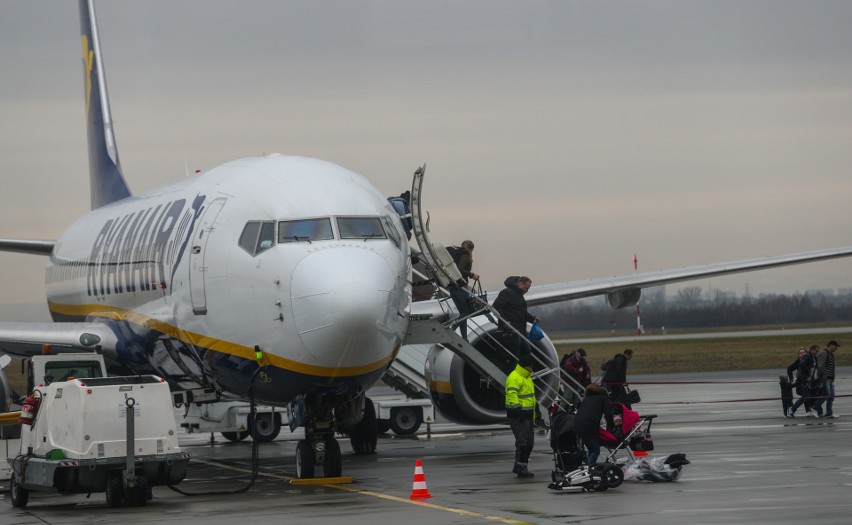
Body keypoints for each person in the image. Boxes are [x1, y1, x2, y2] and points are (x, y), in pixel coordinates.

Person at [505, 353, 537, 478]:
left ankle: (522, 465)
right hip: (519, 416)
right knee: (522, 442)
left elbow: (530, 397)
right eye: (530, 367)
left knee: (529, 443)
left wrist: (536, 411)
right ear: (525, 367)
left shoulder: (527, 377)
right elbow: (512, 395)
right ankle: (520, 467)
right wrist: (519, 411)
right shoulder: (514, 378)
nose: (532, 369)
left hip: (528, 415)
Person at [493, 276, 539, 356]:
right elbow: (496, 306)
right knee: (523, 352)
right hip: (510, 331)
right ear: (520, 283)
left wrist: (532, 318)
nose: (527, 291)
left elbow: (520, 312)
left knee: (525, 351)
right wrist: (505, 321)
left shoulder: (518, 295)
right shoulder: (507, 292)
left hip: (519, 331)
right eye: (526, 288)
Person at [572, 384, 614, 466]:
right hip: (589, 425)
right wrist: (611, 427)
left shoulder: (586, 398)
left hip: (577, 424)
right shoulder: (603, 397)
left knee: (591, 449)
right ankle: (590, 469)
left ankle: (589, 466)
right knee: (595, 450)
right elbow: (608, 414)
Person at [446, 240, 479, 341]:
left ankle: (465, 338)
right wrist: (472, 275)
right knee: (467, 312)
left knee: (463, 314)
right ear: (471, 248)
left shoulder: (456, 255)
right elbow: (459, 269)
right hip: (461, 287)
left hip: (453, 288)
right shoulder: (465, 256)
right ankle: (452, 329)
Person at [787, 345, 823, 417]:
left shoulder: (814, 358)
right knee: (806, 396)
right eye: (816, 351)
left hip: (811, 380)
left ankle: (815, 411)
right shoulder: (808, 356)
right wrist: (808, 372)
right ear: (812, 350)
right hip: (805, 380)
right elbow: (801, 364)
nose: (817, 352)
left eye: (818, 351)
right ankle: (792, 409)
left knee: (811, 395)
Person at [812, 340, 840, 418]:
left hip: (830, 378)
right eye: (835, 346)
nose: (836, 348)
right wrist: (825, 374)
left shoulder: (831, 354)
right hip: (825, 378)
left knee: (831, 396)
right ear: (831, 345)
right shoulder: (824, 353)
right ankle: (814, 408)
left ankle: (829, 413)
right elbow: (820, 365)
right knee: (826, 395)